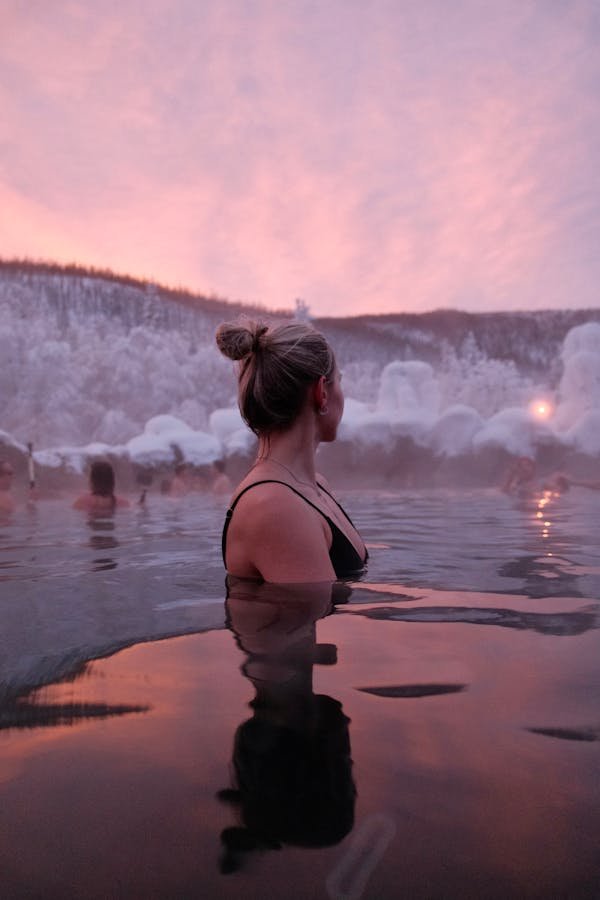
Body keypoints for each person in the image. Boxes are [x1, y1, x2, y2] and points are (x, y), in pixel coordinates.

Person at [216, 319, 367, 582]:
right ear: (322, 392)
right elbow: (315, 618)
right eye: (339, 382)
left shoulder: (315, 487)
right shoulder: (274, 506)